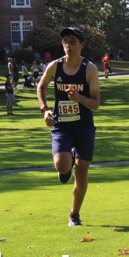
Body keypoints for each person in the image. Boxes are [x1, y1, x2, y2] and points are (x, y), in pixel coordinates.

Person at [37, 27, 101, 227]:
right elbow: (41, 87)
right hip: (62, 127)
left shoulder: (89, 69)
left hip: (84, 128)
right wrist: (45, 110)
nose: (68, 45)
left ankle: (74, 215)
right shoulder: (54, 67)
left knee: (81, 172)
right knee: (62, 166)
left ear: (82, 45)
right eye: (65, 41)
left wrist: (79, 98)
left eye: (73, 41)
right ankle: (67, 163)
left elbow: (96, 103)